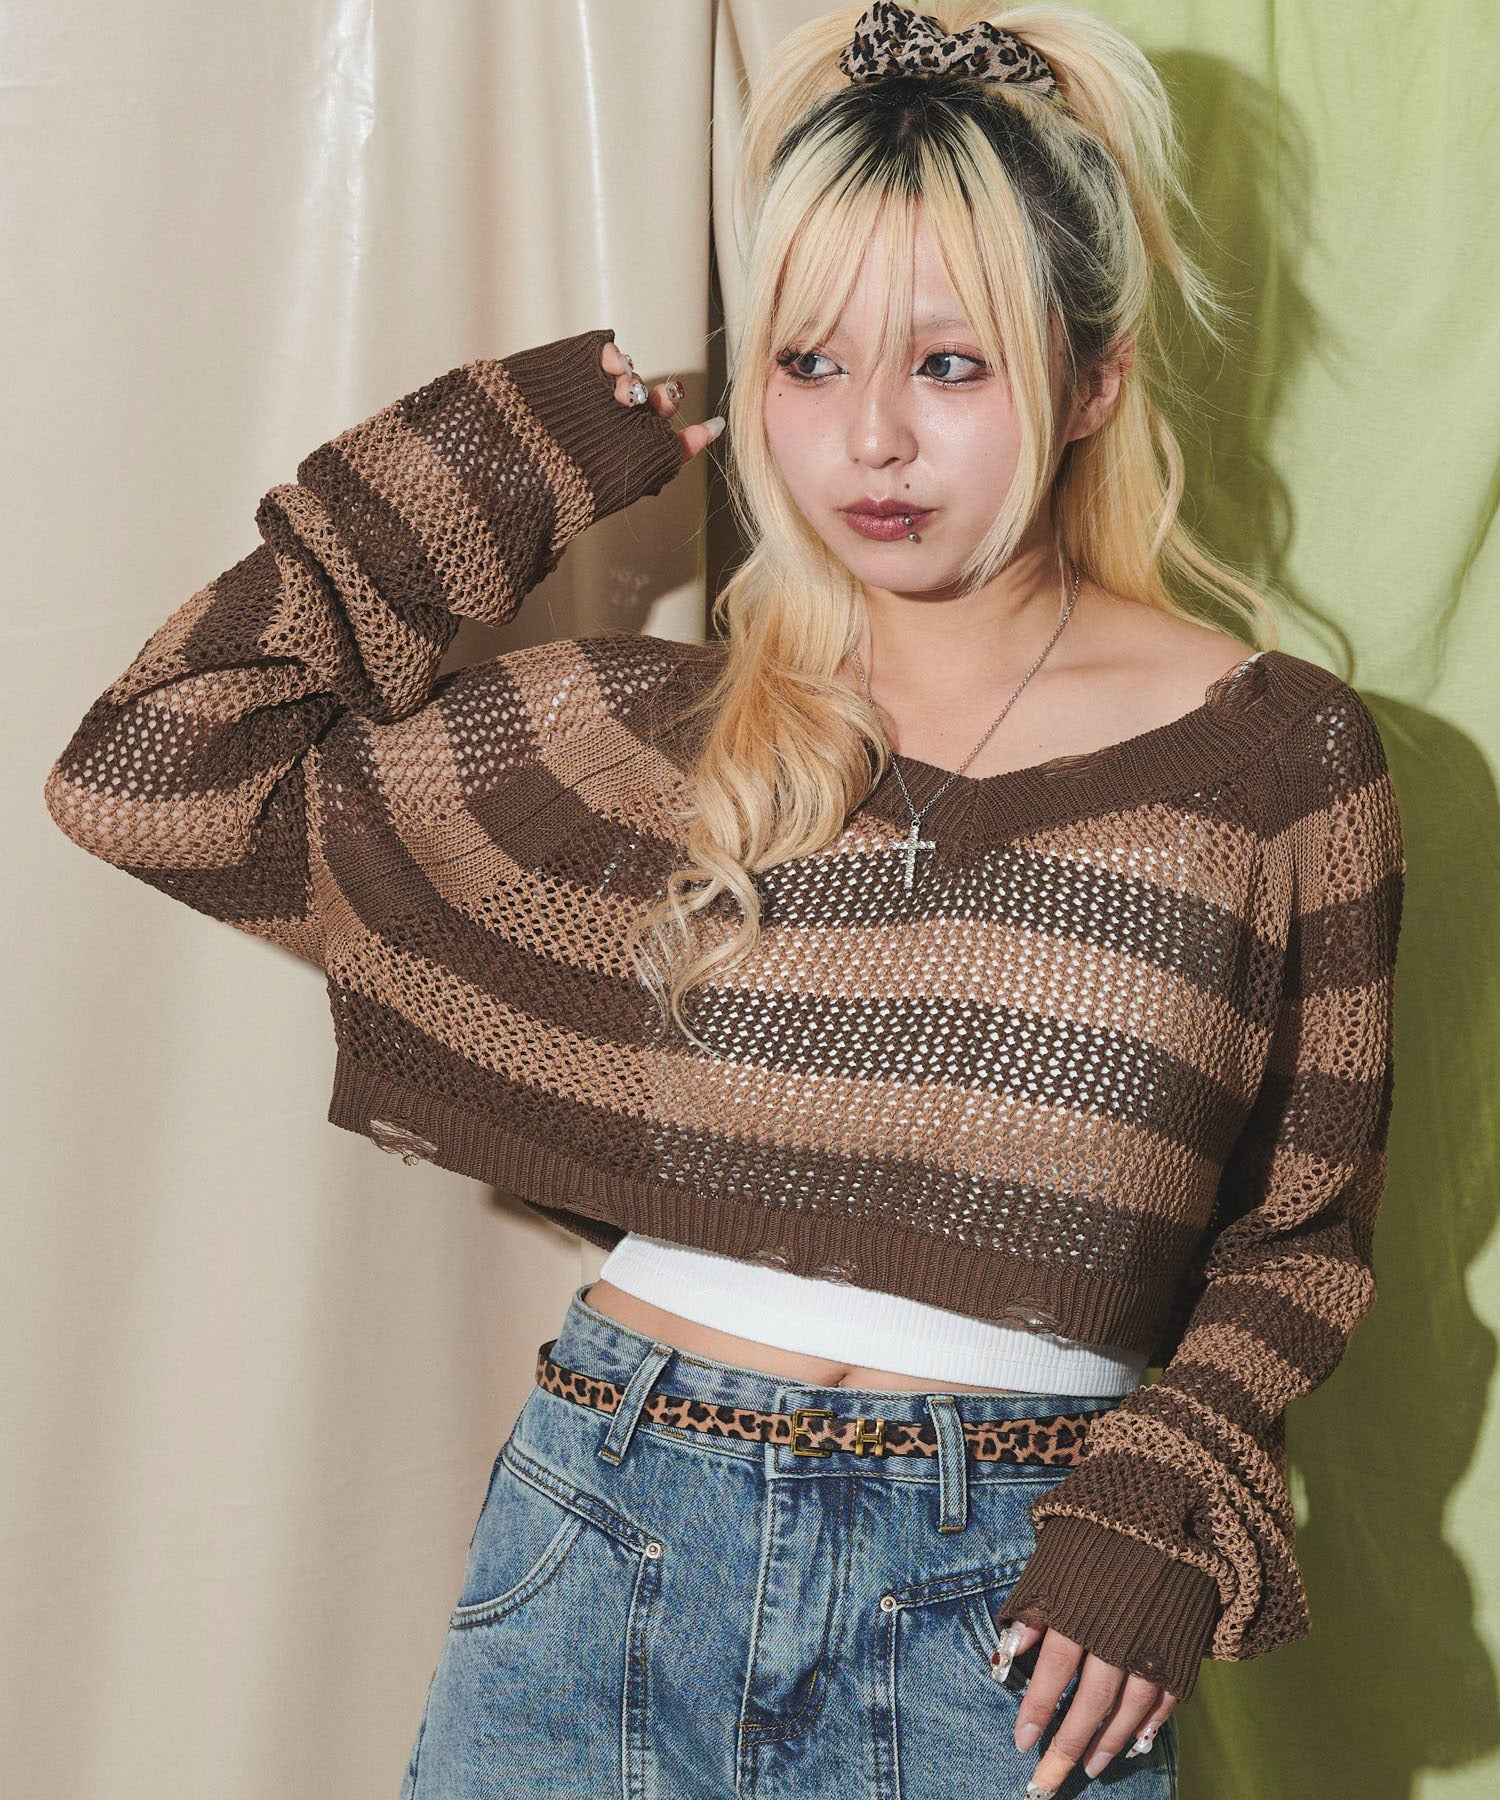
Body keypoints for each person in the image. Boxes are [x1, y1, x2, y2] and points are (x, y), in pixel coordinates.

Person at [43, 4, 1406, 1797]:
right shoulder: (642, 742)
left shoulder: (1278, 760)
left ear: (1093, 380)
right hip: (601, 1537)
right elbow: (151, 773)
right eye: (808, 362)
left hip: (1010, 1601)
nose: (871, 442)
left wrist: (1167, 1488)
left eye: (951, 365)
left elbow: (1302, 1235)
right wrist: (492, 463)